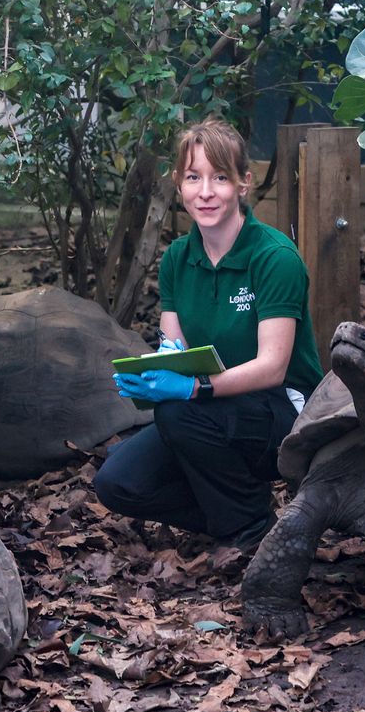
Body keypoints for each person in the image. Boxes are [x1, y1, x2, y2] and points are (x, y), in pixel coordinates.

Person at [93, 118, 323, 548]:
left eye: (220, 177)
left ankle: (251, 530)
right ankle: (241, 514)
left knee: (179, 413)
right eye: (193, 177)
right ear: (178, 184)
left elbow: (273, 368)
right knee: (118, 483)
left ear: (243, 184)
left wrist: (190, 389)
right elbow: (173, 348)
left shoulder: (275, 257)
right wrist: (148, 377)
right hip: (210, 411)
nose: (205, 192)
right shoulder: (178, 259)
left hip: (286, 413)